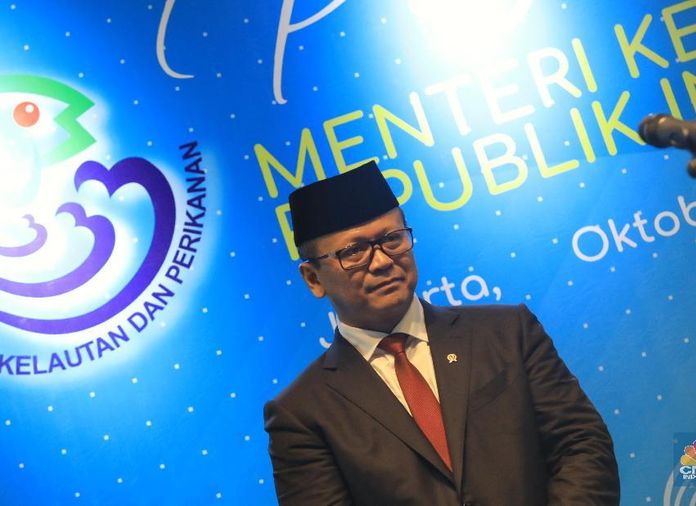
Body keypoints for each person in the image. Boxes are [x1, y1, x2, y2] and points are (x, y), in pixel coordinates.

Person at [263, 160, 620, 505]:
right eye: (354, 251)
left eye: (392, 239)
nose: (383, 261)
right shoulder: (302, 412)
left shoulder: (507, 332)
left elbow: (582, 446)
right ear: (313, 279)